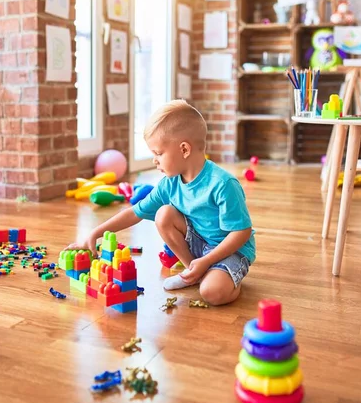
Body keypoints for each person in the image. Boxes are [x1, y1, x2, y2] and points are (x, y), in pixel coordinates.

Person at [67, 100, 256, 306]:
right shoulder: (169, 183)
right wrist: (95, 233)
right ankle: (193, 270)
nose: (154, 160)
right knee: (163, 214)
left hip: (230, 249)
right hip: (200, 243)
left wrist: (209, 261)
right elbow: (135, 212)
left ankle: (223, 278)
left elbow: (241, 233)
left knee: (212, 294)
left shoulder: (223, 184)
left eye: (158, 153)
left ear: (184, 149)